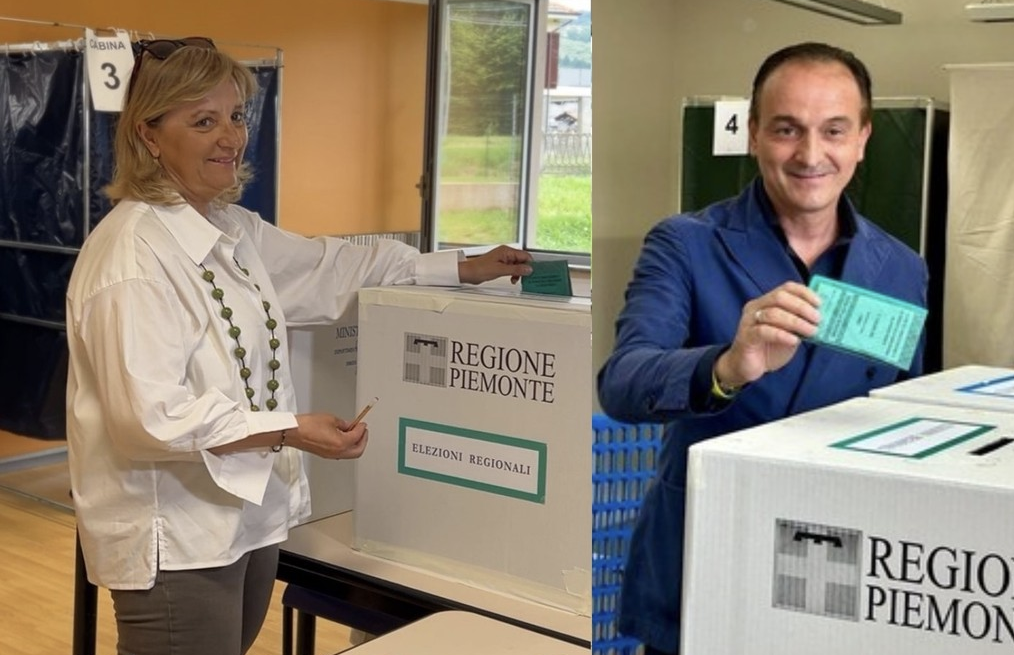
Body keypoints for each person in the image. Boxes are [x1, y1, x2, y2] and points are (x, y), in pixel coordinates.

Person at [65, 37, 532, 655]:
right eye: (203, 121)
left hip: (245, 520)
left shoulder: (231, 228)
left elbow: (329, 267)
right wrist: (290, 430)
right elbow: (150, 418)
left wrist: (459, 268)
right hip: (177, 535)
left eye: (235, 116)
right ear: (149, 135)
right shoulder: (132, 256)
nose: (230, 137)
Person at [596, 42, 928, 655]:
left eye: (834, 130)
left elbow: (905, 423)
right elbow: (622, 383)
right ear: (753, 134)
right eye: (786, 129)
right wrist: (727, 366)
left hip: (839, 570)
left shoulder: (902, 270)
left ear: (863, 139)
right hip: (704, 560)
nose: (811, 155)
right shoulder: (686, 244)